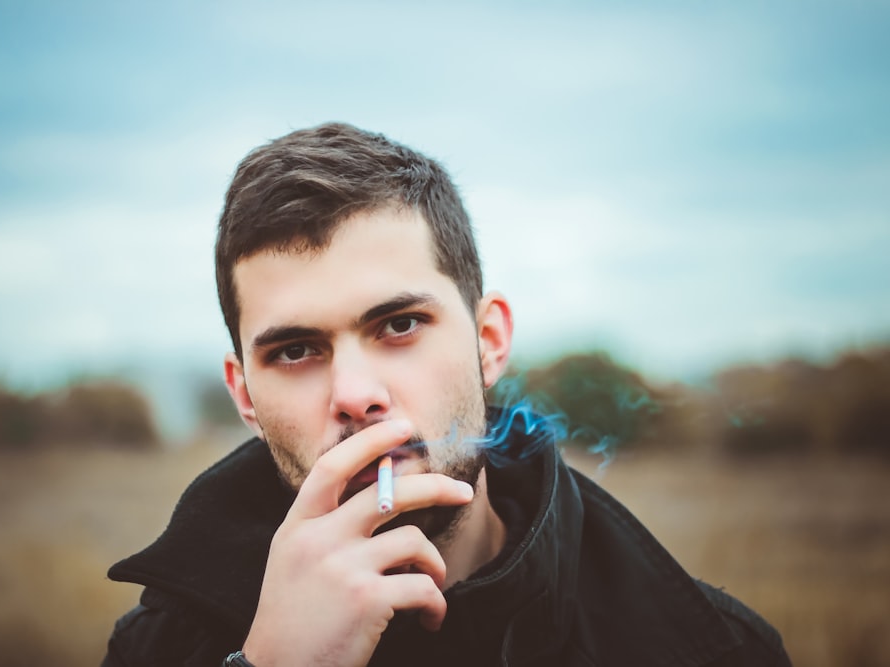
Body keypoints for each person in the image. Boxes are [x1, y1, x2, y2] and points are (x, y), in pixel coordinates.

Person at [102, 123, 791, 667]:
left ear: (488, 340)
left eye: (399, 325)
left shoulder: (712, 651)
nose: (355, 395)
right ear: (245, 396)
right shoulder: (159, 649)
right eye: (295, 350)